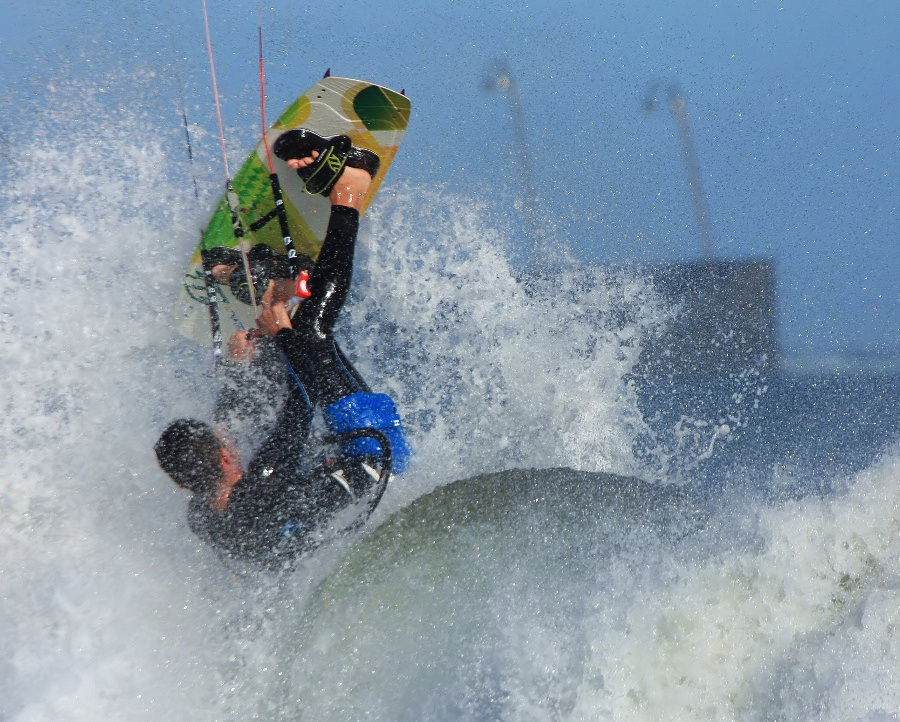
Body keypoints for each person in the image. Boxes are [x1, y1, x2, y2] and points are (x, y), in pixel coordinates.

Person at [155, 137, 410, 569]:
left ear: (185, 487)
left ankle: (275, 281)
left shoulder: (202, 516)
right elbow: (303, 402)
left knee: (277, 357)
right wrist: (282, 333)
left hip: (321, 468)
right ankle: (350, 189)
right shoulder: (262, 484)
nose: (226, 437)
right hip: (371, 450)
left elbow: (231, 429)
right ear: (222, 456)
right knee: (309, 332)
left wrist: (239, 371)